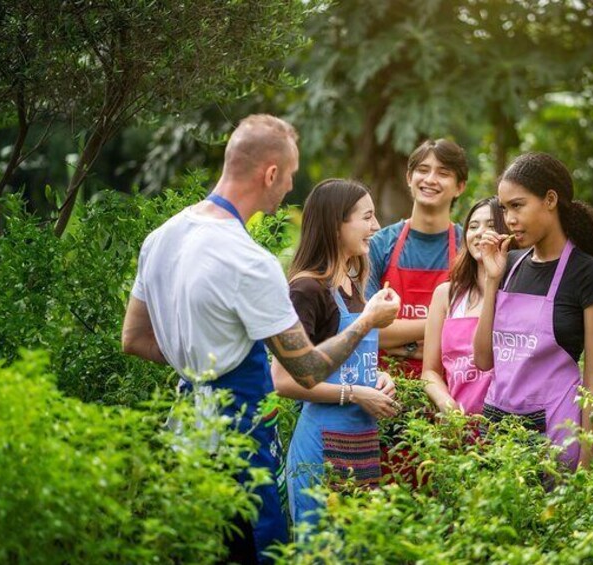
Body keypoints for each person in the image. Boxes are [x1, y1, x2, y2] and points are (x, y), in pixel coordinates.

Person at [121, 114, 401, 564]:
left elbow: (134, 338)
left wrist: (198, 366)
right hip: (239, 443)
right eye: (289, 176)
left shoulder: (161, 237)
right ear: (270, 174)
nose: (290, 187)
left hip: (184, 432)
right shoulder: (250, 260)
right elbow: (305, 371)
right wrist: (366, 323)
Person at [271, 178, 400, 530]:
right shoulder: (306, 288)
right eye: (367, 217)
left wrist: (376, 379)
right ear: (335, 224)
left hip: (362, 441)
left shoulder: (355, 286)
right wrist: (355, 393)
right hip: (322, 444)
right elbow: (282, 380)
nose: (375, 227)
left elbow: (348, 362)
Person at [473, 152, 593, 471]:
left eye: (517, 205)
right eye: (504, 208)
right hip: (496, 427)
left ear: (550, 199)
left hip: (552, 432)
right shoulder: (507, 265)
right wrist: (492, 280)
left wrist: (587, 464)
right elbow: (483, 359)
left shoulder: (588, 274)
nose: (509, 219)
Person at [367, 138, 468, 378]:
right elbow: (367, 329)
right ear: (409, 178)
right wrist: (439, 327)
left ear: (460, 187)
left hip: (449, 393)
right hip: (384, 389)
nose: (430, 179)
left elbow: (474, 333)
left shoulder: (469, 247)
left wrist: (398, 338)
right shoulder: (380, 245)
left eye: (443, 173)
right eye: (423, 170)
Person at [421, 197, 511, 415]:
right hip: (457, 430)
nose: (480, 232)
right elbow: (429, 372)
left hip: (507, 432)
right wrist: (446, 403)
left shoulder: (518, 295)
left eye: (491, 226)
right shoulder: (447, 294)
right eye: (473, 226)